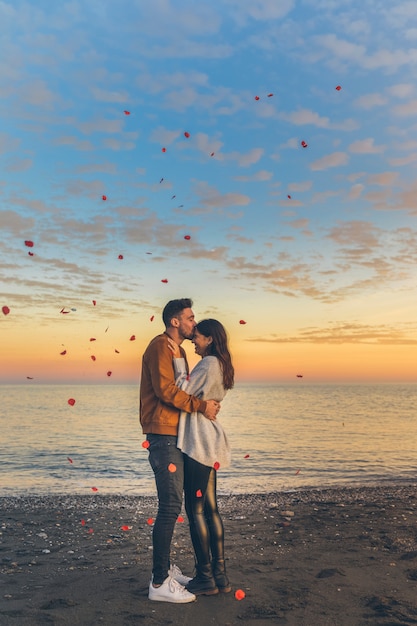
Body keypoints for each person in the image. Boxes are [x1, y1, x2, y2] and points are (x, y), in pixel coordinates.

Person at [139, 298, 221, 604]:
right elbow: (166, 391)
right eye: (189, 318)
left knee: (175, 503)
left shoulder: (181, 351)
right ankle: (159, 581)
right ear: (175, 321)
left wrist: (208, 403)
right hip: (162, 435)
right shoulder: (160, 346)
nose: (193, 324)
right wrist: (201, 406)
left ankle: (166, 571)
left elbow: (185, 388)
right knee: (171, 505)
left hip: (178, 434)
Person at [168, 318, 234, 596]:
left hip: (199, 442)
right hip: (210, 440)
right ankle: (220, 576)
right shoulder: (221, 364)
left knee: (195, 510)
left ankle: (205, 576)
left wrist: (178, 362)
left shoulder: (208, 364)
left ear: (209, 339)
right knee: (210, 509)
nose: (193, 340)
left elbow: (183, 390)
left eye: (197, 336)